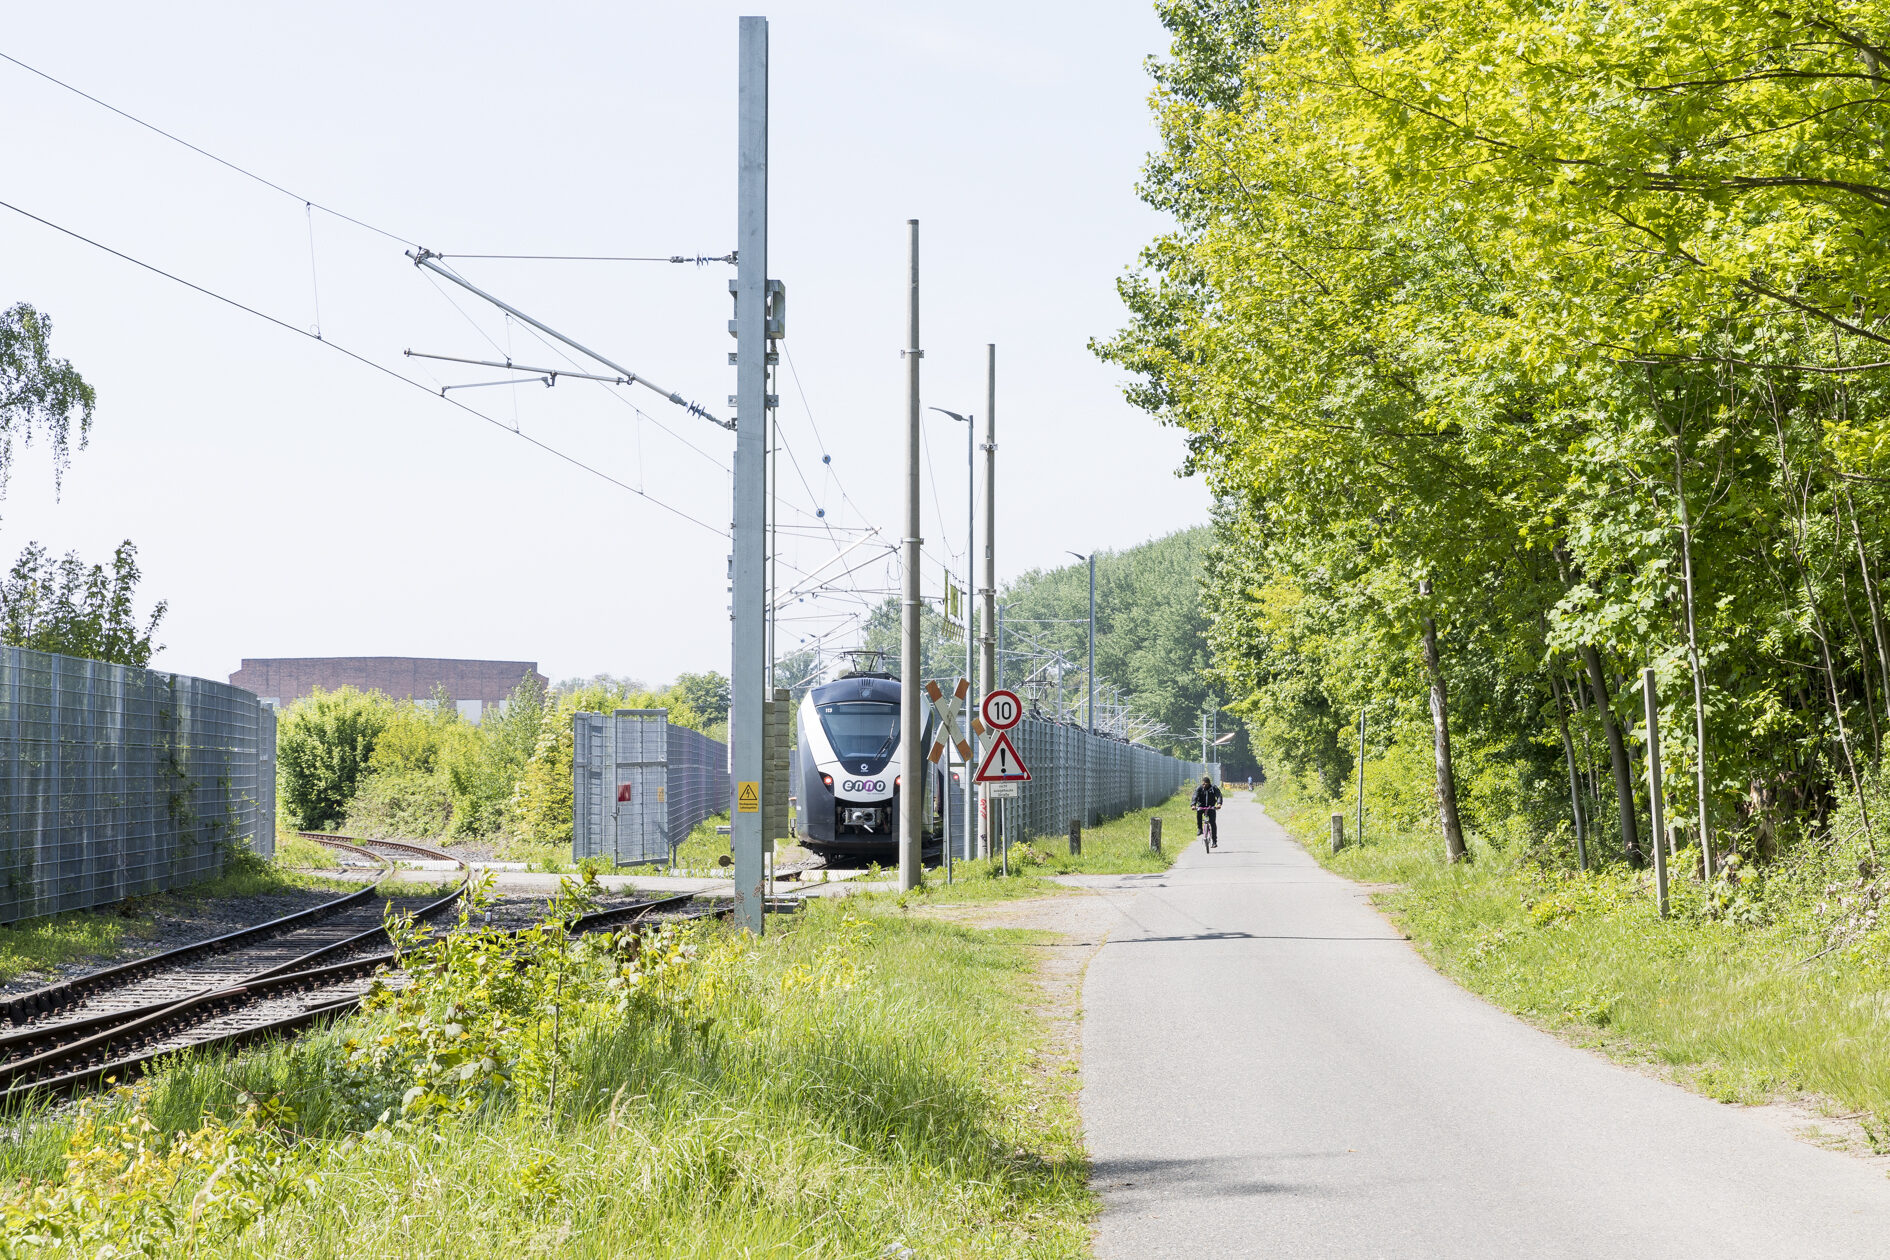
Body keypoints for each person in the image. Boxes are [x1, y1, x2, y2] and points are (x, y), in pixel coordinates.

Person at [1192, 775, 1222, 849]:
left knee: (1213, 823)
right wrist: (1193, 805)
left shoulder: (1213, 788)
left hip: (1211, 807)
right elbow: (1195, 796)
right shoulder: (1200, 788)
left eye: (1205, 784)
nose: (1204, 785)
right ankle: (1200, 829)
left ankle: (1214, 841)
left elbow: (1219, 796)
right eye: (1203, 784)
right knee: (1198, 813)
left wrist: (1219, 804)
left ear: (1209, 783)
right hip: (1201, 806)